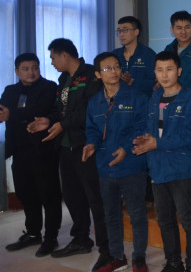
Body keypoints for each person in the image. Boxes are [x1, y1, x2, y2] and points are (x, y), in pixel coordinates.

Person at [27, 38, 111, 271]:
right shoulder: (63, 79)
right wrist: (49, 120)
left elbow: (90, 110)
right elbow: (60, 109)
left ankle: (107, 249)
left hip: (86, 145)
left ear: (64, 54)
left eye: (53, 57)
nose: (52, 62)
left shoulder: (91, 75)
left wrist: (63, 124)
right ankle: (81, 239)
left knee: (95, 199)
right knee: (73, 197)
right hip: (66, 146)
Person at [133, 51, 191, 272]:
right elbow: (152, 128)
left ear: (179, 71)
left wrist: (157, 143)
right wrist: (144, 139)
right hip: (158, 166)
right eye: (159, 70)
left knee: (188, 218)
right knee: (164, 219)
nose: (164, 75)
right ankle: (173, 262)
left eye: (169, 69)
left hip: (181, 167)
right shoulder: (155, 97)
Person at [83, 53, 149, 272]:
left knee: (137, 214)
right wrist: (91, 144)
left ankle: (139, 257)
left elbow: (142, 127)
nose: (113, 72)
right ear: (97, 74)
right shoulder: (95, 102)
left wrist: (126, 149)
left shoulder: (136, 97)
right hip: (106, 166)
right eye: (107, 68)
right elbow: (92, 129)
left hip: (131, 166)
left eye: (116, 67)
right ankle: (117, 256)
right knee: (111, 215)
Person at [1, 53, 61, 257]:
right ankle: (33, 233)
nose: (31, 72)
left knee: (49, 195)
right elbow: (3, 111)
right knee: (25, 193)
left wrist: (12, 115)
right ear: (16, 71)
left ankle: (51, 237)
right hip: (19, 150)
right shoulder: (10, 90)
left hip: (43, 150)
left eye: (35, 67)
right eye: (25, 69)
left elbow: (39, 110)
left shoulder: (49, 87)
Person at [112, 16, 157, 98]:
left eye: (125, 30)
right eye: (119, 31)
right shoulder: (114, 55)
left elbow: (155, 82)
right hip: (119, 100)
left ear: (136, 32)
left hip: (143, 101)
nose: (121, 34)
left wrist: (132, 82)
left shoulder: (148, 54)